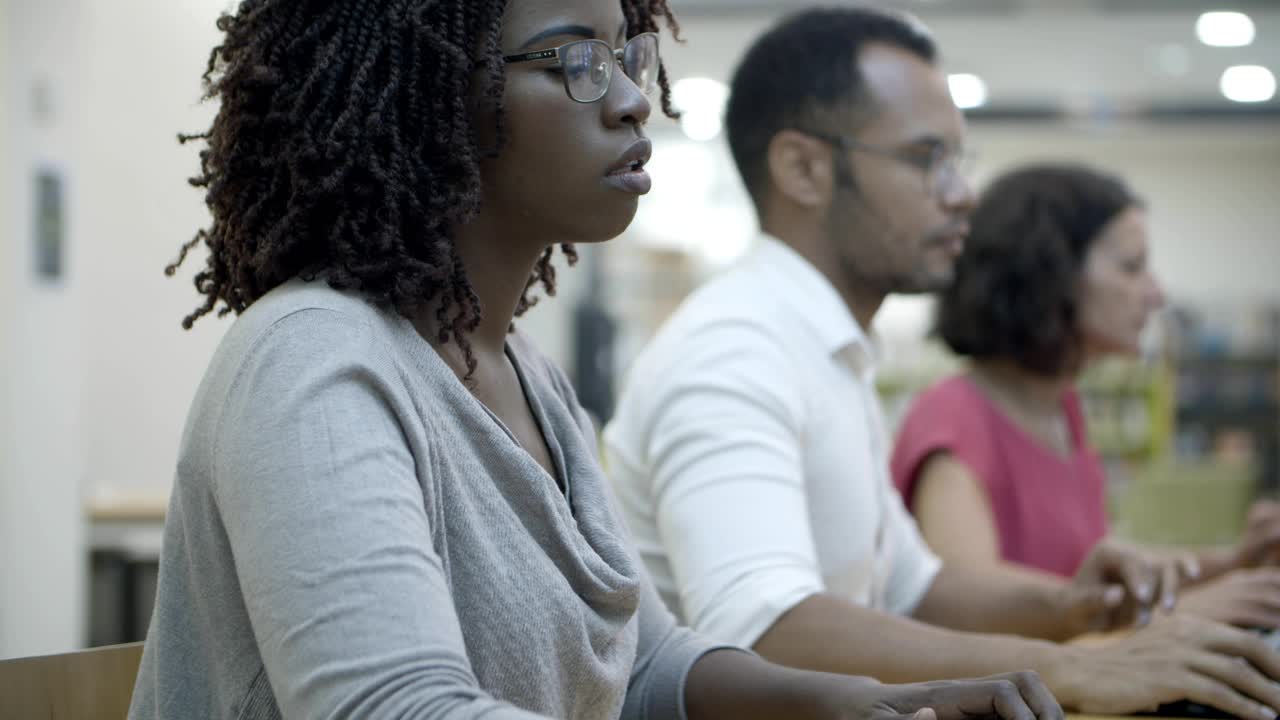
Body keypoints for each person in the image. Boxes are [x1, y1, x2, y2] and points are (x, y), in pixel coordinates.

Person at [126, 1, 1064, 719]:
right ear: (431, 90)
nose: (629, 97)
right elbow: (400, 711)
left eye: (628, 53)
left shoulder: (528, 375)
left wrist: (852, 699)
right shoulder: (318, 360)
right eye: (576, 58)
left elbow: (645, 666)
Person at [603, 6, 1280, 719]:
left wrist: (1076, 605)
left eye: (958, 161)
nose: (961, 195)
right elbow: (770, 631)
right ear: (803, 167)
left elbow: (915, 585)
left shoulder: (824, 352)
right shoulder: (734, 351)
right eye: (927, 159)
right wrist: (1074, 665)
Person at [890, 163, 1280, 630]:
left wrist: (1237, 562)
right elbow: (964, 604)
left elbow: (1084, 575)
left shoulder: (1063, 409)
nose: (1156, 294)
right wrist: (1154, 615)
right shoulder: (953, 418)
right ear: (1049, 276)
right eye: (1132, 267)